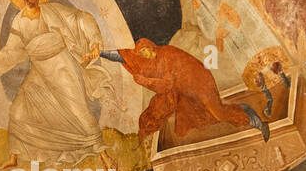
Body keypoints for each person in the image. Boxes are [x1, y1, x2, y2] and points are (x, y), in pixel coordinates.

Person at [0, 0, 116, 170]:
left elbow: (80, 17)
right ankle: (14, 157)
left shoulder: (51, 10)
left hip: (61, 65)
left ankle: (104, 157)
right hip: (39, 70)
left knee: (78, 110)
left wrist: (95, 44)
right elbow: (10, 52)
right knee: (18, 110)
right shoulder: (19, 21)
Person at [102, 38, 268, 143]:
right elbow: (125, 56)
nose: (146, 55)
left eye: (147, 50)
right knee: (185, 126)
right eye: (143, 53)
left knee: (219, 113)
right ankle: (239, 111)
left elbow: (167, 84)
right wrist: (100, 53)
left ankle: (253, 118)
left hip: (200, 84)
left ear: (153, 47)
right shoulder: (152, 61)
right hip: (183, 91)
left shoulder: (166, 54)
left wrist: (145, 81)